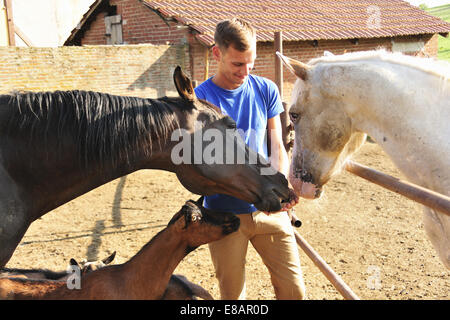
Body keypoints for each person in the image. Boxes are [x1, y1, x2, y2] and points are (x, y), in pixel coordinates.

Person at [194, 18, 305, 300]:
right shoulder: (201, 98)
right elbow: (208, 163)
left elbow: (276, 144)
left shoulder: (266, 89)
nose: (245, 72)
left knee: (295, 292)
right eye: (237, 64)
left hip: (270, 209)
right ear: (217, 53)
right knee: (233, 298)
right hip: (225, 214)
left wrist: (278, 187)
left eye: (250, 64)